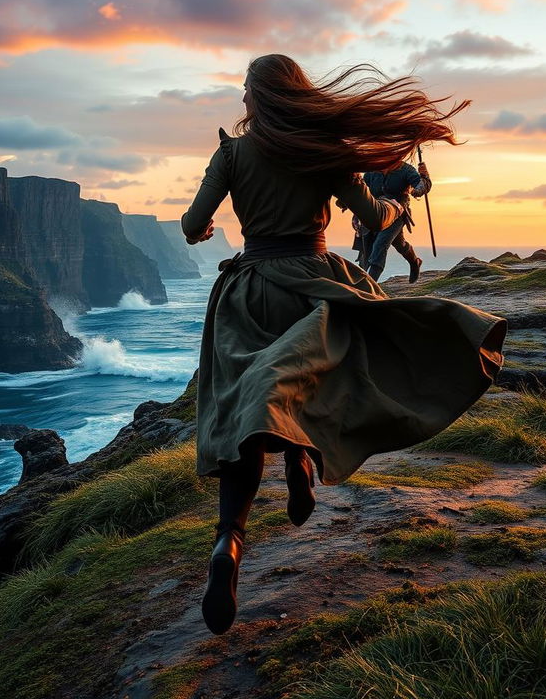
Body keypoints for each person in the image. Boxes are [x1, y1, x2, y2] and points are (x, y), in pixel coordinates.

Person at [181, 54, 506, 636]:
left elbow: (191, 223)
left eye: (247, 92)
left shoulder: (231, 153)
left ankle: (230, 537)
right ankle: (306, 462)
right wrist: (392, 209)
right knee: (312, 376)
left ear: (257, 97)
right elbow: (370, 211)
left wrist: (204, 228)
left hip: (250, 288)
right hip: (312, 280)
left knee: (248, 400)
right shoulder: (322, 150)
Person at [358, 159, 432, 283]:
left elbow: (421, 185)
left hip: (398, 214)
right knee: (399, 244)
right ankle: (415, 261)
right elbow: (361, 192)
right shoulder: (371, 172)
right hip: (376, 215)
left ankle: (369, 286)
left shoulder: (406, 170)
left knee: (380, 245)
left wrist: (423, 178)